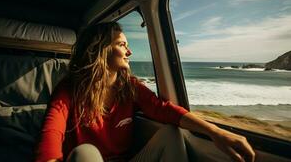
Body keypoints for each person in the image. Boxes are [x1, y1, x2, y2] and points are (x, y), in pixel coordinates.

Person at [35, 22, 255, 162]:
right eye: (122, 45)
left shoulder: (129, 86)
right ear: (100, 49)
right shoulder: (70, 89)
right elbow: (52, 134)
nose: (129, 51)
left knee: (172, 133)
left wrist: (216, 133)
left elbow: (164, 110)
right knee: (85, 153)